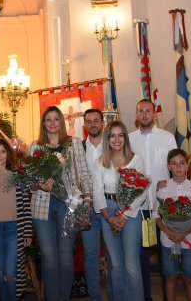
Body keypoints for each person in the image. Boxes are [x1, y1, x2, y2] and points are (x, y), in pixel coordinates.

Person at [29, 105, 92, 301]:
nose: (53, 123)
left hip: (69, 207)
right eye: (48, 119)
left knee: (65, 257)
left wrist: (88, 201)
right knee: (48, 258)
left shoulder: (73, 143)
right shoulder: (35, 147)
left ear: (61, 122)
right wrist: (39, 185)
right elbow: (28, 183)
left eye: (56, 119)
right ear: (43, 124)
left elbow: (84, 175)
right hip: (42, 208)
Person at [92, 121, 146, 301]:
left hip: (130, 211)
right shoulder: (100, 162)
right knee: (115, 263)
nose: (117, 139)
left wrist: (124, 214)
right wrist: (108, 218)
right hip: (108, 210)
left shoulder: (136, 159)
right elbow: (97, 191)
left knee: (131, 263)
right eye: (112, 135)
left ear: (125, 138)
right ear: (107, 139)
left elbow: (142, 191)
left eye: (120, 135)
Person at [129, 98, 176, 301]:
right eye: (141, 111)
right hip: (139, 207)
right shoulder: (129, 139)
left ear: (154, 114)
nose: (145, 114)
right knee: (141, 256)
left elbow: (176, 165)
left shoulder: (167, 138)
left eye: (148, 111)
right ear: (136, 114)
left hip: (163, 205)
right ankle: (145, 296)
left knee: (166, 253)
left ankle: (169, 296)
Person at [0, 138, 32, 301]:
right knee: (0, 271)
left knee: (11, 272)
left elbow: (25, 205)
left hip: (13, 228)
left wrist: (27, 232)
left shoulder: (17, 177)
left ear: (8, 155)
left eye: (3, 151)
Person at [153, 148, 191, 301]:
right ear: (168, 166)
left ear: (188, 165)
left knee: (190, 278)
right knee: (170, 277)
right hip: (168, 240)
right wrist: (168, 231)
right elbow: (156, 214)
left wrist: (184, 233)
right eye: (174, 164)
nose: (178, 167)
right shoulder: (163, 188)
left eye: (182, 163)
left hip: (189, 240)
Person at [81, 108, 112, 301]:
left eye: (96, 121)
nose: (93, 124)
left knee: (112, 255)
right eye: (89, 121)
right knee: (90, 256)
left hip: (108, 207)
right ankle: (95, 297)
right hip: (87, 209)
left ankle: (114, 294)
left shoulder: (111, 145)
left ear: (102, 123)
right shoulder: (79, 148)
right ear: (85, 126)